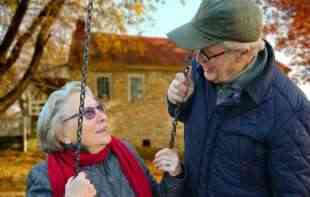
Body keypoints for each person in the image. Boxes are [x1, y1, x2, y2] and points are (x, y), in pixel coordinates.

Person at [166, 0, 310, 196]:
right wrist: (177, 100)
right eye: (197, 48)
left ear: (243, 53)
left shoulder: (290, 112)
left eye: (207, 52)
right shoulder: (202, 70)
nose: (198, 59)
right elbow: (192, 118)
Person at [27, 81, 184, 197]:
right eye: (88, 113)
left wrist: (174, 175)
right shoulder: (43, 176)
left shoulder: (125, 152)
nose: (102, 116)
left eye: (99, 108)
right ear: (63, 134)